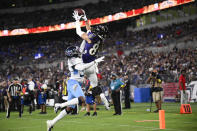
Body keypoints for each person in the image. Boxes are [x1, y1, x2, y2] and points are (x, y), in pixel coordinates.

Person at [47, 46, 105, 131]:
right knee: (82, 99)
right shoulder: (72, 60)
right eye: (76, 51)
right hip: (73, 83)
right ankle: (59, 105)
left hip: (74, 83)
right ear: (72, 53)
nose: (78, 52)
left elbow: (83, 61)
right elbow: (81, 67)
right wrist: (94, 61)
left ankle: (52, 122)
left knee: (69, 109)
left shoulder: (77, 58)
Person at [73, 9, 110, 110]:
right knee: (95, 87)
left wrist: (77, 20)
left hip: (84, 64)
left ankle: (75, 103)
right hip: (93, 66)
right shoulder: (100, 39)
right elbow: (89, 30)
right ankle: (105, 101)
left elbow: (78, 31)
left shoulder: (92, 37)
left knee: (74, 80)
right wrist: (85, 20)